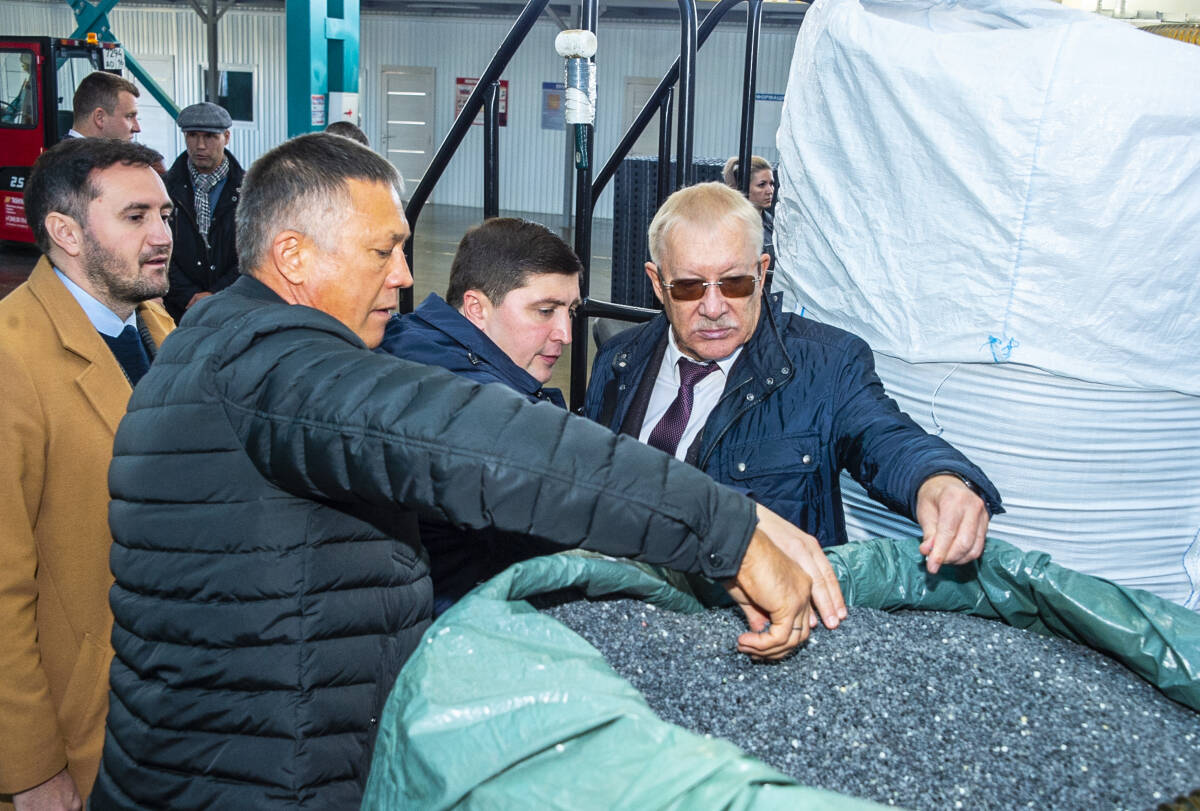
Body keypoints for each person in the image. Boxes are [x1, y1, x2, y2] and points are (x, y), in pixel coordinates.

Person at [89, 133, 842, 810]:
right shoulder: (272, 367)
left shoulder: (226, 346)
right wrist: (725, 526)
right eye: (382, 251)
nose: (403, 275)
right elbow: (481, 444)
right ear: (294, 256)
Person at [585, 182, 1003, 573]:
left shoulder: (826, 365)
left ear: (762, 273)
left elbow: (884, 436)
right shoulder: (619, 360)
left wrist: (937, 480)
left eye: (735, 283)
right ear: (658, 284)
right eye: (690, 287)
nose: (713, 308)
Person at [0, 138, 174, 811]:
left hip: (160, 712)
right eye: (136, 216)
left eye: (164, 214)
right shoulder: (12, 359)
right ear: (65, 233)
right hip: (79, 735)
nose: (161, 235)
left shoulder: (157, 325)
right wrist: (30, 768)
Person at [380, 217, 582, 610]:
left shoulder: (404, 339)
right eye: (545, 311)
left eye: (570, 311)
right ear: (476, 308)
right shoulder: (478, 402)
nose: (566, 334)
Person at [162, 102, 244, 323]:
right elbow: (155, 245)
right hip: (178, 311)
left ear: (226, 137)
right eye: (192, 136)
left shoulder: (250, 189)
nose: (200, 145)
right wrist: (187, 295)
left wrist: (217, 294)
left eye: (209, 136)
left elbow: (256, 252)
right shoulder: (163, 189)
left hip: (233, 311)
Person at [723, 154, 776, 280]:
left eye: (771, 184)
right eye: (762, 184)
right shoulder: (728, 225)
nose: (770, 191)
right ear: (743, 186)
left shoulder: (773, 224)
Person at [65, 71, 141, 141]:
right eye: (129, 116)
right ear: (100, 118)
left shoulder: (65, 150)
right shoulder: (75, 152)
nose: (137, 128)